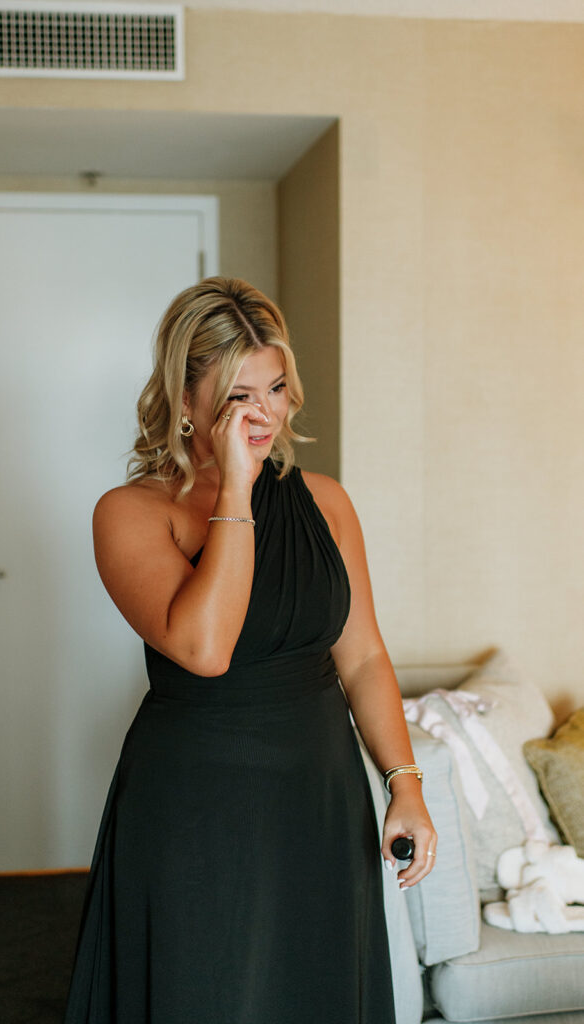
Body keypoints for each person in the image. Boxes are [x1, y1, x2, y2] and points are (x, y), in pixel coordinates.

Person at [63, 277, 436, 1024]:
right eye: (238, 396)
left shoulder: (325, 501)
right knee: (207, 995)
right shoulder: (131, 513)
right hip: (196, 807)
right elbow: (205, 648)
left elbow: (361, 656)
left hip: (319, 798)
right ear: (187, 400)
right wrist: (236, 489)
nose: (263, 413)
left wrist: (405, 783)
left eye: (275, 387)